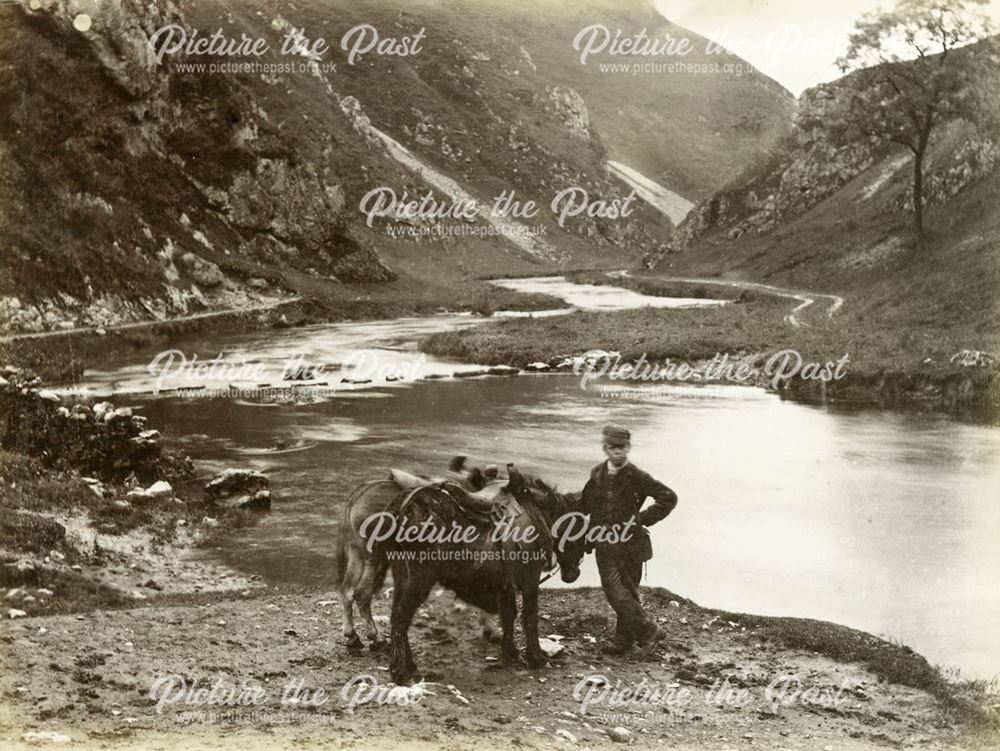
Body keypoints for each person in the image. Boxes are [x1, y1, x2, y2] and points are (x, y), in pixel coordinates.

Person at [581, 425, 678, 655]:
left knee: (628, 592)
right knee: (614, 591)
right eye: (613, 447)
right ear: (605, 448)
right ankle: (649, 631)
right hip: (603, 543)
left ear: (628, 448)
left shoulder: (637, 476)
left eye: (622, 447)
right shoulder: (597, 474)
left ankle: (624, 642)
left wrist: (641, 519)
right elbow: (585, 504)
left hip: (631, 545)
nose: (618, 452)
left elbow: (668, 498)